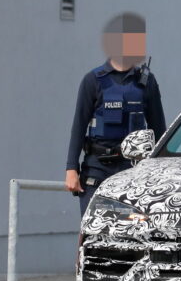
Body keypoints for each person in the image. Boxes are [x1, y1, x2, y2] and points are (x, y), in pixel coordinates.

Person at [66, 12, 166, 214]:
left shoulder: (146, 82)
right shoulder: (93, 80)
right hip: (96, 169)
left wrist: (161, 172)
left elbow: (159, 130)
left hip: (133, 171)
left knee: (128, 236)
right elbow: (78, 126)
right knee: (93, 233)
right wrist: (71, 169)